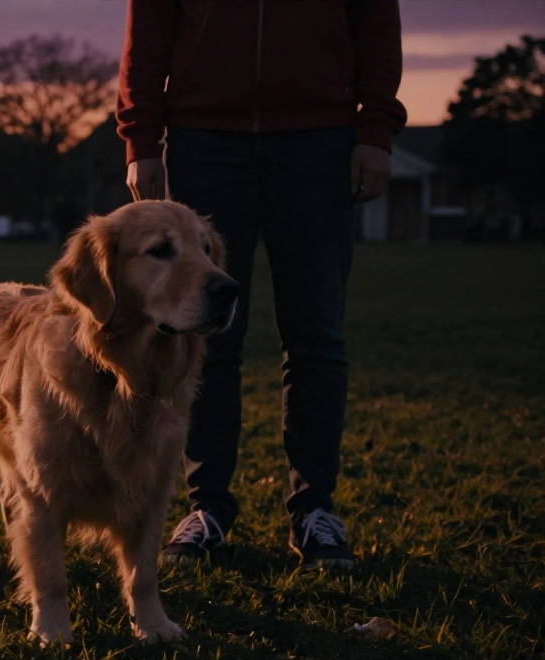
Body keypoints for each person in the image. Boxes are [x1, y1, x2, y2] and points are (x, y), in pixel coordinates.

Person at [117, 0, 406, 567]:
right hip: (202, 139)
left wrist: (375, 128)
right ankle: (207, 507)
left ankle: (315, 511)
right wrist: (142, 141)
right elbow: (147, 32)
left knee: (315, 332)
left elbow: (375, 19)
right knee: (203, 333)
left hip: (319, 139)